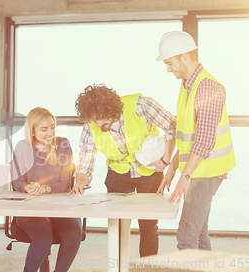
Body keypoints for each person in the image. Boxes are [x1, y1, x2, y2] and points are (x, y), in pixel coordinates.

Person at [70, 85, 176, 261]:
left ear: (111, 109)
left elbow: (172, 125)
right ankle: (118, 267)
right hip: (117, 176)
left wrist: (166, 160)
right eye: (93, 120)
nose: (97, 124)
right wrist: (80, 181)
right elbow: (85, 164)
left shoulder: (141, 105)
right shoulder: (91, 126)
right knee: (117, 227)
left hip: (149, 173)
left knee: (148, 226)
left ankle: (147, 268)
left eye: (101, 118)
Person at [155, 31, 235, 250]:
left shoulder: (207, 87)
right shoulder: (187, 86)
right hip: (198, 169)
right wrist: (173, 167)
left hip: (206, 171)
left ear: (184, 57)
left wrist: (185, 175)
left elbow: (205, 140)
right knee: (198, 233)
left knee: (187, 236)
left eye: (169, 63)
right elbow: (185, 137)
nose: (168, 69)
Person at [12, 107, 82, 272]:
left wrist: (45, 188)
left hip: (60, 208)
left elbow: (66, 183)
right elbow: (17, 182)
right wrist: (28, 188)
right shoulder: (22, 147)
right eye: (44, 129)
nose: (50, 132)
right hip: (31, 209)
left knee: (74, 233)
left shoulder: (63, 144)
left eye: (52, 127)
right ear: (33, 131)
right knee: (43, 237)